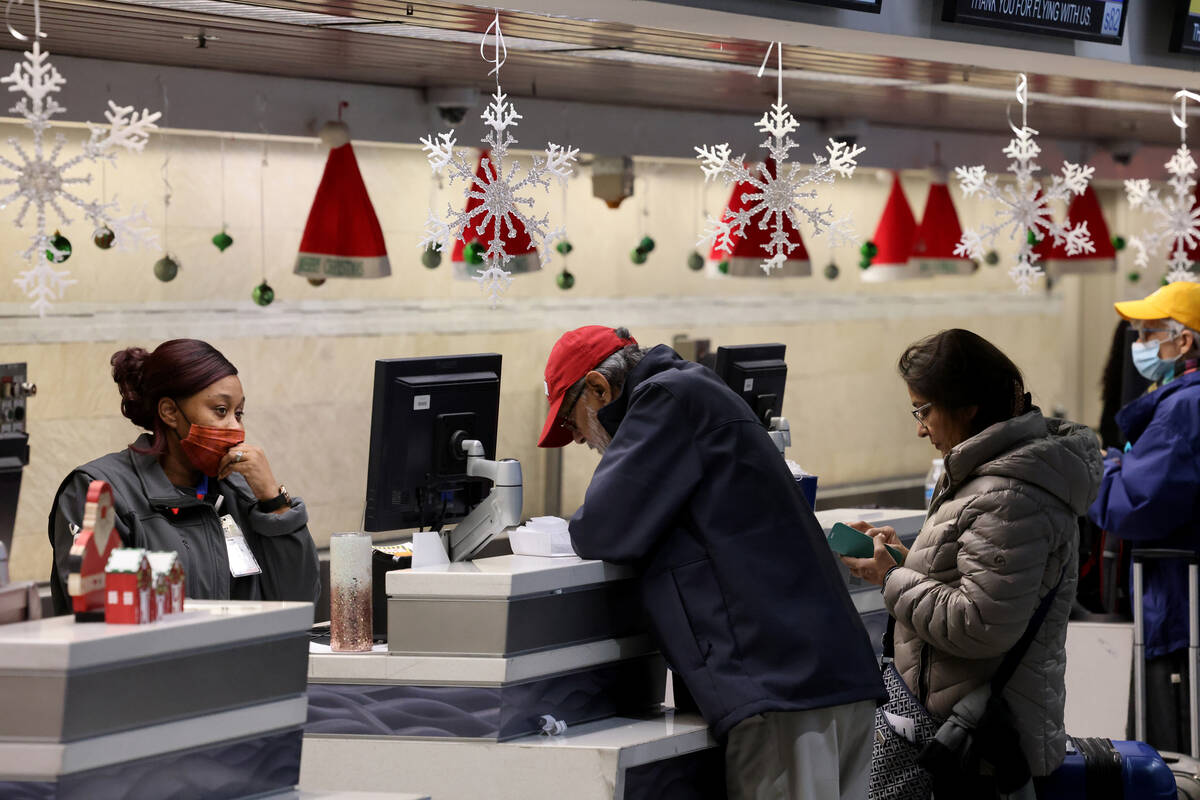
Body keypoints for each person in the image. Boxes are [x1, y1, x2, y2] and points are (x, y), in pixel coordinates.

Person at [538, 325, 886, 800]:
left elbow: (600, 528)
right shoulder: (692, 388)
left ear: (599, 387)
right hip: (819, 677)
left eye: (572, 420)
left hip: (779, 687)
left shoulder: (664, 399)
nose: (577, 437)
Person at [842, 329, 1101, 793]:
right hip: (954, 732)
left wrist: (891, 578)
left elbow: (979, 623)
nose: (920, 427)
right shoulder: (987, 475)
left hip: (982, 754)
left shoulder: (1010, 494)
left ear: (967, 407)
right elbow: (971, 582)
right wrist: (901, 561)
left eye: (924, 410)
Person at [49, 339, 321, 613]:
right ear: (169, 412)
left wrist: (273, 502)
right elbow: (98, 617)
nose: (235, 428)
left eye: (239, 414)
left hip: (246, 656)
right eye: (221, 411)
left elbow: (299, 603)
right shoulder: (98, 491)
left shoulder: (241, 491)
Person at [1088, 281, 1200, 754]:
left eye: (1148, 333)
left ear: (1184, 341)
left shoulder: (1182, 408)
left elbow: (1131, 508)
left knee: (1177, 745)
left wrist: (1103, 466)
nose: (1139, 345)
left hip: (1179, 610)